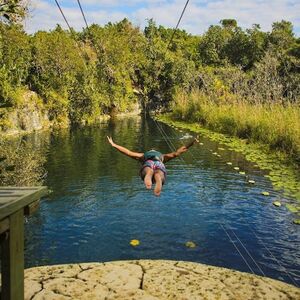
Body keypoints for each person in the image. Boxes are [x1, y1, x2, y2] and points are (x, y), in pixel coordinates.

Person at [107, 136, 198, 196]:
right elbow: (177, 153)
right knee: (159, 173)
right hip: (159, 163)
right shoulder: (162, 156)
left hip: (148, 162)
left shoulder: (143, 156)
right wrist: (190, 143)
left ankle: (149, 173)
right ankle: (157, 176)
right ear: (156, 151)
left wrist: (114, 144)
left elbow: (128, 152)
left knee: (148, 170)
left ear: (150, 151)